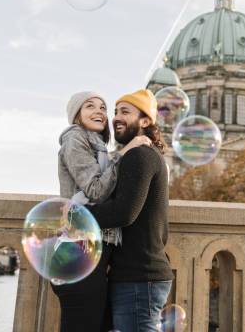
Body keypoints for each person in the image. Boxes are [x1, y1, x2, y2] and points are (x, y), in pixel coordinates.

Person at [55, 91, 151, 332]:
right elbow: (96, 190)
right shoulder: (75, 139)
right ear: (76, 115)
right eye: (90, 106)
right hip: (78, 246)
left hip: (92, 247)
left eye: (103, 107)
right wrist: (126, 151)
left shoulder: (98, 146)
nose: (99, 111)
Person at [89, 89, 174, 332]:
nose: (116, 117)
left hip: (139, 277)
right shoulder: (145, 155)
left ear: (146, 121)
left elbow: (124, 213)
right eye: (116, 112)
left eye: (125, 112)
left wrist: (80, 214)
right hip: (139, 275)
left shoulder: (139, 155)